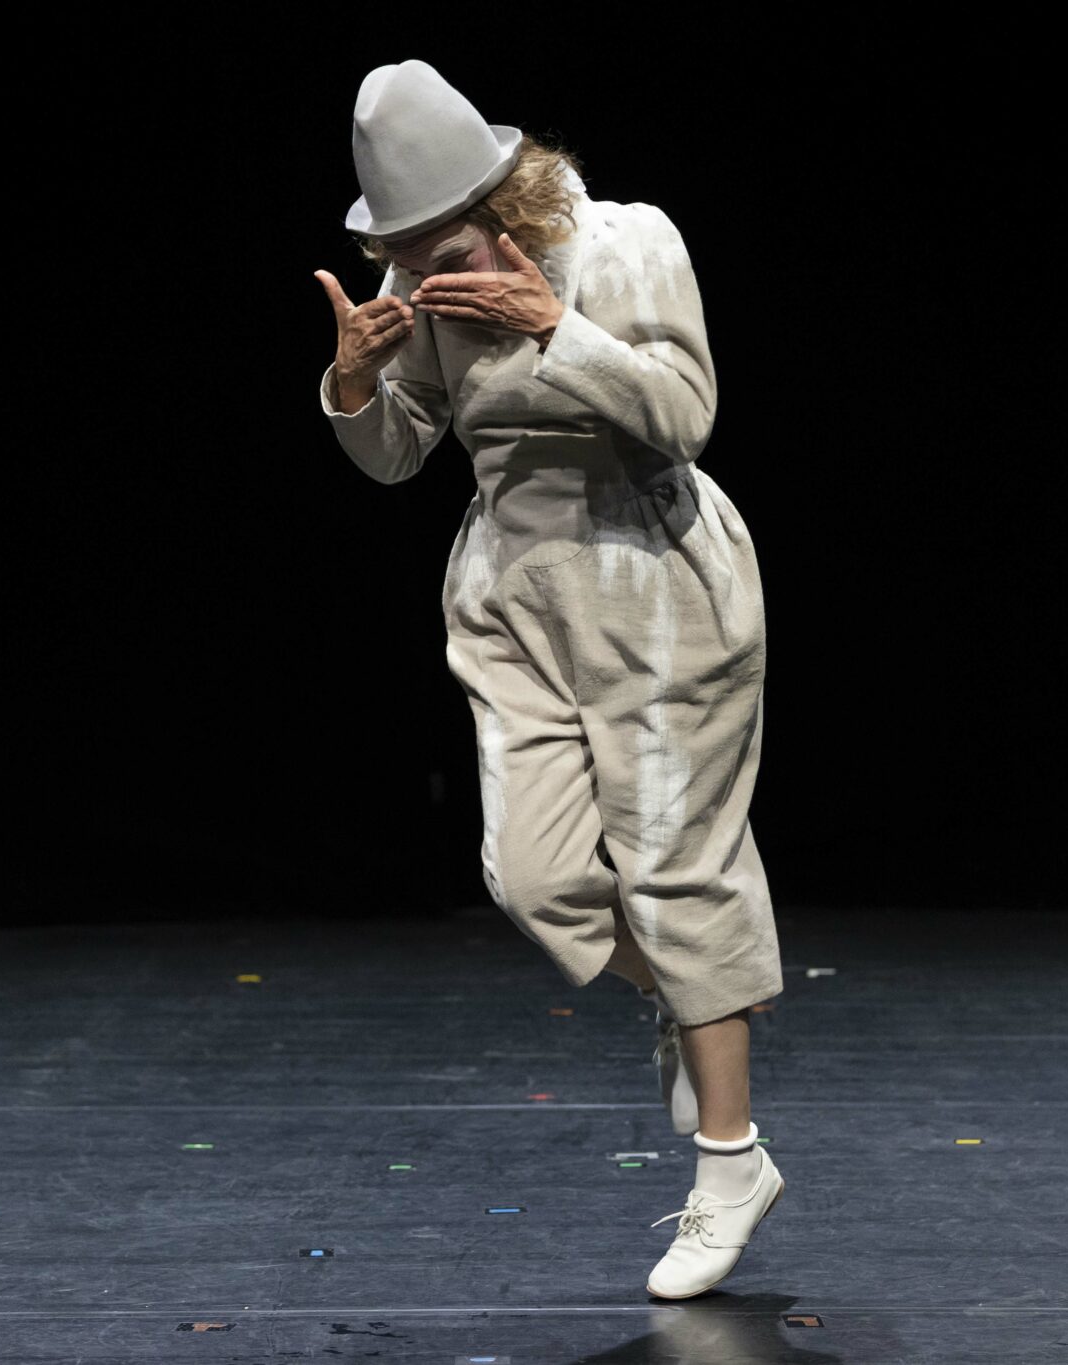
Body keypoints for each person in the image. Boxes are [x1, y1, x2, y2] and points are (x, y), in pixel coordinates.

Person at [311, 59, 785, 1300]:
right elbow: (398, 453)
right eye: (397, 254)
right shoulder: (419, 279)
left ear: (501, 199)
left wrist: (551, 327)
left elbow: (684, 415)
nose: (415, 273)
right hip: (512, 595)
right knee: (531, 879)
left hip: (655, 584)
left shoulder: (625, 243)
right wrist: (356, 381)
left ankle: (729, 1163)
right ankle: (691, 1000)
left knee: (676, 874)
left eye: (431, 248)